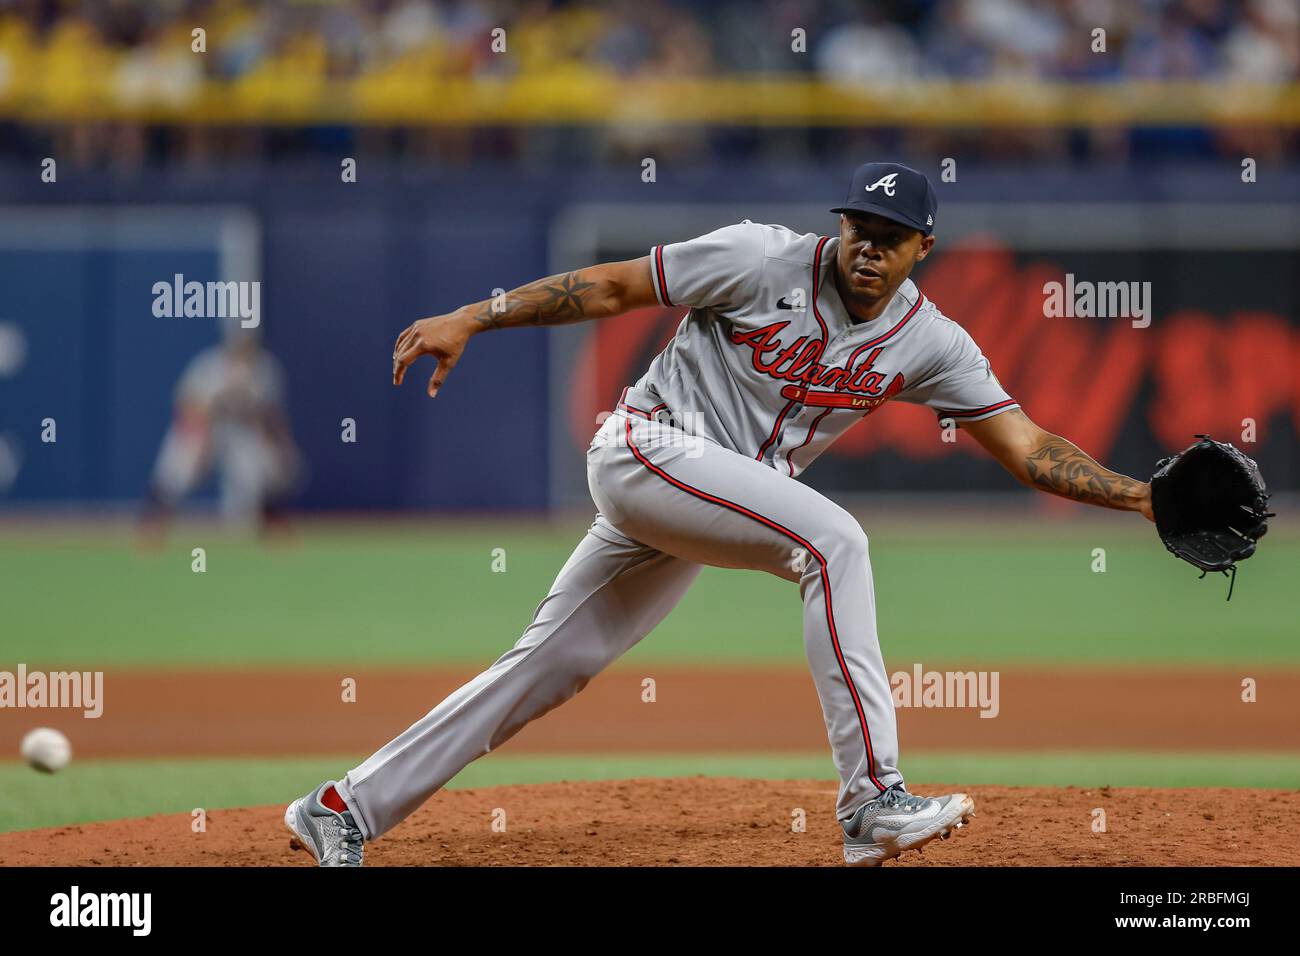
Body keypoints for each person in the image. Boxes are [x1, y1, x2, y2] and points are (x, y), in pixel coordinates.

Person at [284, 162, 1154, 867]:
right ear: (838, 226)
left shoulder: (932, 343)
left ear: (924, 247)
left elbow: (1028, 447)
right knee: (834, 542)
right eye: (858, 229)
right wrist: (475, 315)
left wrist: (1142, 497)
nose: (868, 250)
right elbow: (615, 287)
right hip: (649, 450)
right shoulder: (761, 257)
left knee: (547, 666)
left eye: (890, 239)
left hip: (703, 499)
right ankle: (872, 801)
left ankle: (342, 808)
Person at [141, 324, 300, 537]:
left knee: (260, 471)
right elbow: (187, 408)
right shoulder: (209, 366)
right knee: (180, 465)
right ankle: (153, 523)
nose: (243, 346)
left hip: (243, 433)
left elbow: (271, 417)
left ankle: (272, 524)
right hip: (205, 430)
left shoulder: (266, 368)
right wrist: (201, 442)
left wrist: (281, 449)